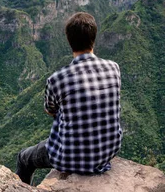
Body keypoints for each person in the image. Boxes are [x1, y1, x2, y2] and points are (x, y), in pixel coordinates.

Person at [15, 12, 122, 185]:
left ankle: (23, 188)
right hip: (107, 152)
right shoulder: (114, 68)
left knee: (23, 158)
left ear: (68, 41)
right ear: (94, 38)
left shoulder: (57, 79)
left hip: (70, 158)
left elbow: (50, 110)